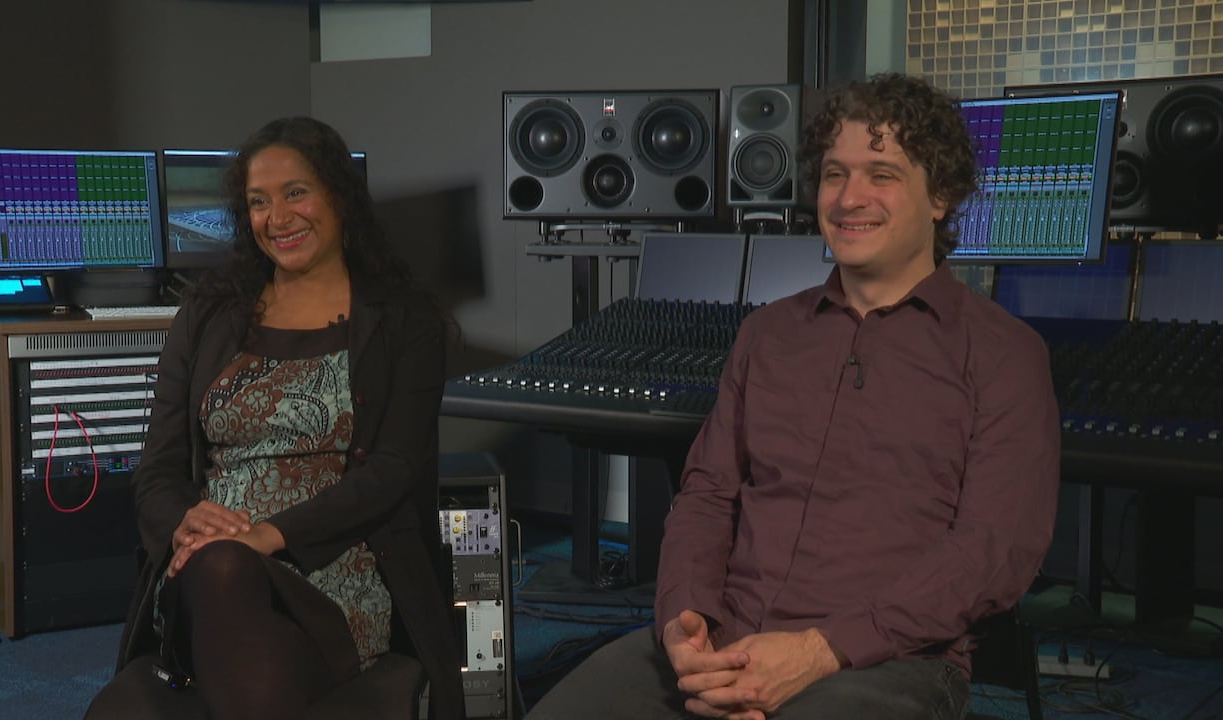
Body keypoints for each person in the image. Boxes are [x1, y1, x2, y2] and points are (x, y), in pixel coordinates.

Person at [526, 73, 1060, 719]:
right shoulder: (767, 333)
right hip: (723, 642)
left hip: (883, 664)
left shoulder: (1005, 354)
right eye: (835, 174)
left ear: (940, 194)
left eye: (881, 174)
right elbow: (707, 494)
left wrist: (817, 651)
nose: (849, 198)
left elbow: (992, 552)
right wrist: (683, 619)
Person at [86, 116, 464, 720]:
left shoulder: (404, 321)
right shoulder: (209, 311)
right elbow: (156, 467)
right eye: (258, 202)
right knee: (222, 568)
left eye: (296, 193)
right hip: (207, 567)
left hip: (337, 568)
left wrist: (270, 534)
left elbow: (392, 470)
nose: (277, 218)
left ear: (338, 195)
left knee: (260, 660)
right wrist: (186, 523)